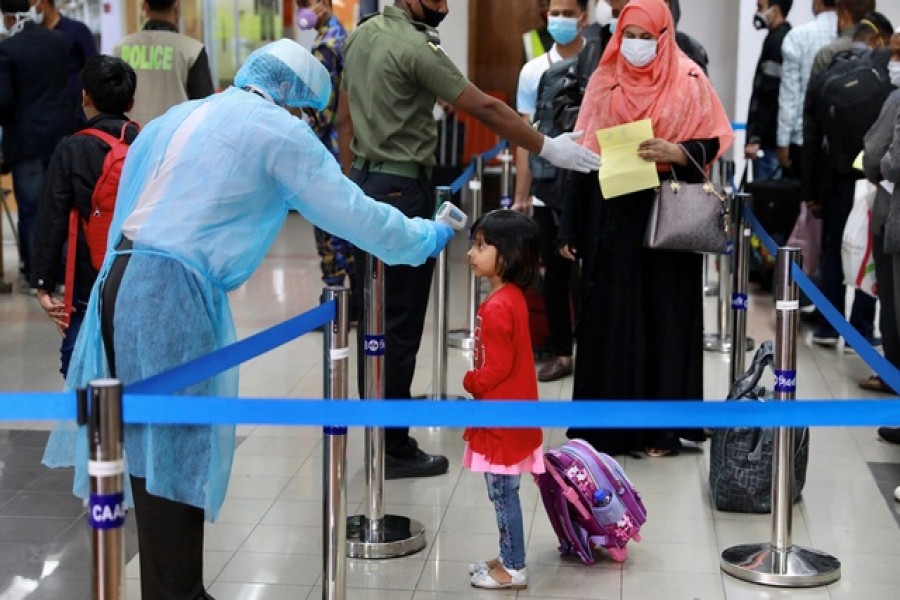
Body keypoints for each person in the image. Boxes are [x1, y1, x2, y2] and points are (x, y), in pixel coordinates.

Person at [42, 39, 456, 599]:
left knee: (144, 443)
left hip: (122, 279)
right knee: (174, 445)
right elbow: (355, 215)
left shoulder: (184, 113)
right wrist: (425, 237)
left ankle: (174, 587)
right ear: (296, 100)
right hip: (172, 293)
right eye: (311, 112)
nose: (310, 123)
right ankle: (177, 591)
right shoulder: (279, 131)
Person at [338, 0, 599, 479]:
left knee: (375, 319)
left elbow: (344, 118)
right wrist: (546, 146)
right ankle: (392, 445)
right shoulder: (415, 47)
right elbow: (483, 105)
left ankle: (381, 428)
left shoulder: (361, 35)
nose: (444, 8)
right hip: (402, 189)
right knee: (399, 321)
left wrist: (347, 181)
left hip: (364, 184)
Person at [560, 0, 734, 457]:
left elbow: (713, 140)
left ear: (664, 34)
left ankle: (660, 430)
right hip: (612, 216)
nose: (636, 46)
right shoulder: (605, 77)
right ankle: (609, 430)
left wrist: (677, 152)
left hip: (668, 216)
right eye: (629, 35)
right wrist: (569, 226)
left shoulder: (689, 77)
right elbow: (581, 155)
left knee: (664, 319)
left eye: (645, 36)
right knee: (614, 318)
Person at [31, 55, 138, 379]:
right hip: (136, 269)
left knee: (80, 361)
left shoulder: (71, 149)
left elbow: (52, 218)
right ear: (131, 102)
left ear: (85, 97)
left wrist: (43, 283)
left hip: (87, 273)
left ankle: (90, 423)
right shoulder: (144, 141)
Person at [462, 210, 544, 590]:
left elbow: (495, 368)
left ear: (508, 256)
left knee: (502, 493)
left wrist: (470, 380)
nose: (471, 253)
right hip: (512, 412)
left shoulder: (497, 306)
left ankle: (513, 567)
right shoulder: (511, 297)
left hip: (501, 417)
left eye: (481, 246)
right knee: (503, 491)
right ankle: (507, 554)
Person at [802, 13, 892, 349]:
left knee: (832, 250)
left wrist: (809, 187)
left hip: (834, 174)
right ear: (879, 38)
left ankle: (828, 325)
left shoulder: (828, 62)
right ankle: (862, 330)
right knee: (869, 251)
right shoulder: (884, 73)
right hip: (873, 177)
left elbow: (811, 128)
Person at [514, 0, 588, 383]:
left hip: (589, 185)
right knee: (555, 275)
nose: (559, 19)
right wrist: (521, 194)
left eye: (567, 12)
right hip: (546, 187)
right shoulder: (533, 70)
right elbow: (523, 136)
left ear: (583, 17)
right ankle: (562, 352)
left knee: (591, 273)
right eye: (554, 12)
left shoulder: (596, 64)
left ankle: (591, 348)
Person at [0, 0, 72, 294]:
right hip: (59, 138)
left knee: (31, 211)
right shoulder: (57, 41)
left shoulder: (8, 49)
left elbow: (4, 102)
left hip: (26, 141)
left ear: (9, 18)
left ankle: (36, 276)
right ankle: (62, 273)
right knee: (60, 207)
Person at [297, 0, 358, 318]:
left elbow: (323, 108)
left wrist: (295, 125)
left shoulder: (326, 47)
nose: (301, 11)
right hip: (347, 147)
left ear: (322, 4)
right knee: (345, 223)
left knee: (327, 228)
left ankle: (336, 306)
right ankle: (356, 299)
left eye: (304, 4)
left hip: (329, 148)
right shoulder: (342, 36)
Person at [113, 0, 215, 126]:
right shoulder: (192, 50)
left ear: (144, 6)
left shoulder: (121, 48)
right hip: (175, 138)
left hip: (130, 138)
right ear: (177, 6)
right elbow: (205, 106)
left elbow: (112, 103)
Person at [776, 0, 837, 172]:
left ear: (818, 2)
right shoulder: (851, 35)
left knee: (801, 196)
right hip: (841, 140)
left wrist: (782, 141)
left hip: (803, 138)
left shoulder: (798, 36)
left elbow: (790, 94)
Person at [745, 0, 793, 182]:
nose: (758, 13)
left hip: (769, 142)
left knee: (766, 201)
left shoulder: (777, 41)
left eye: (760, 7)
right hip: (774, 139)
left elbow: (768, 93)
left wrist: (755, 137)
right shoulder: (783, 37)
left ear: (776, 9)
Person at [38, 0, 98, 127]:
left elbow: (94, 69)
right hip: (43, 117)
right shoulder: (33, 37)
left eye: (32, 4)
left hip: (76, 115)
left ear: (43, 3)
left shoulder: (77, 31)